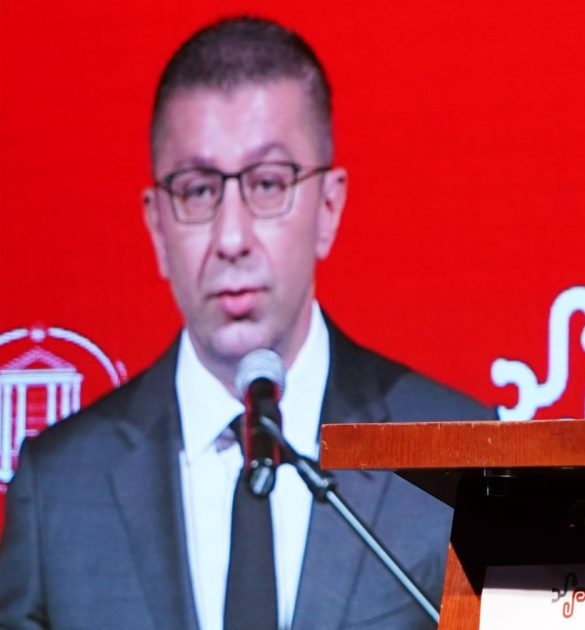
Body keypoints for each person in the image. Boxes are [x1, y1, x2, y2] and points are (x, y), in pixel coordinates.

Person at [0, 17, 492, 630]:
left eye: (267, 184)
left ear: (328, 208)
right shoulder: (61, 490)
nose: (231, 237)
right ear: (157, 226)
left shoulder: (457, 460)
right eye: (197, 191)